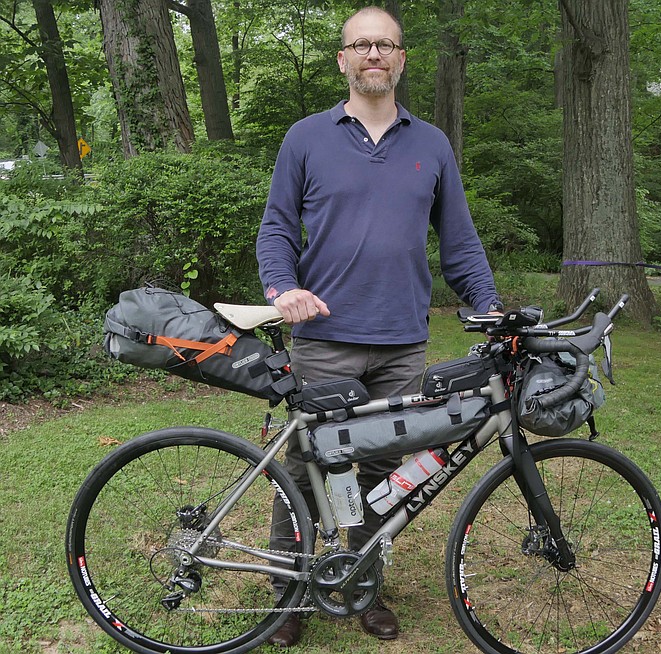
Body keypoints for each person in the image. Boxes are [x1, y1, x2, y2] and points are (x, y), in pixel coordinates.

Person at [256, 6, 503, 647]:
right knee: (309, 469)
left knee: (383, 477)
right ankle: (290, 596)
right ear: (343, 59)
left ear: (400, 59)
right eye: (361, 44)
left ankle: (364, 587)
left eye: (384, 45)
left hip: (401, 340)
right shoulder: (305, 137)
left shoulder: (432, 144)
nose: (373, 54)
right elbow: (277, 227)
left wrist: (490, 311)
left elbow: (461, 244)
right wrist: (283, 290)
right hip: (325, 340)